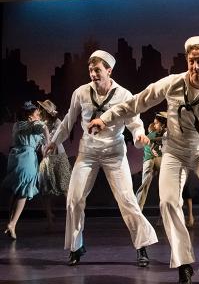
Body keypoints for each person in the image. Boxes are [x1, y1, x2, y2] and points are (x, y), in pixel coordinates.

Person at [89, 36, 199, 284]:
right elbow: (138, 101)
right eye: (191, 61)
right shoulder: (172, 83)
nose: (195, 66)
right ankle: (183, 262)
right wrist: (105, 119)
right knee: (168, 202)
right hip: (175, 150)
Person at [46, 50, 157, 266]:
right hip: (88, 152)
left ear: (109, 70)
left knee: (127, 199)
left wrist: (139, 136)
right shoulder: (81, 93)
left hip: (114, 152)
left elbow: (134, 122)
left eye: (97, 70)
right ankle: (76, 247)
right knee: (74, 199)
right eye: (90, 70)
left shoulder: (124, 95)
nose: (93, 74)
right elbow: (69, 120)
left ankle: (141, 246)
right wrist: (54, 140)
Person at [2, 101, 50, 240]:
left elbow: (39, 141)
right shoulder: (31, 124)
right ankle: (12, 224)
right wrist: (47, 141)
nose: (39, 115)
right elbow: (43, 128)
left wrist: (44, 148)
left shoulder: (19, 125)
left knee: (17, 190)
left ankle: (10, 223)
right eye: (37, 113)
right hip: (26, 157)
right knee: (24, 190)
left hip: (16, 156)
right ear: (30, 116)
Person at [37, 99, 71, 230]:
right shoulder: (41, 124)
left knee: (65, 187)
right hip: (46, 158)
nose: (39, 110)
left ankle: (71, 217)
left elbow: (60, 138)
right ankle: (49, 219)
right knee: (45, 190)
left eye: (42, 109)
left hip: (58, 157)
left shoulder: (57, 123)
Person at [136, 112, 167, 210]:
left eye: (156, 123)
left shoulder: (165, 134)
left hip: (157, 160)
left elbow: (165, 139)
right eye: (154, 123)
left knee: (163, 187)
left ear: (163, 124)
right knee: (145, 185)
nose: (154, 125)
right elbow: (149, 141)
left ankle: (163, 214)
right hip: (151, 160)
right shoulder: (152, 134)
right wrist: (152, 145)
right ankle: (138, 211)